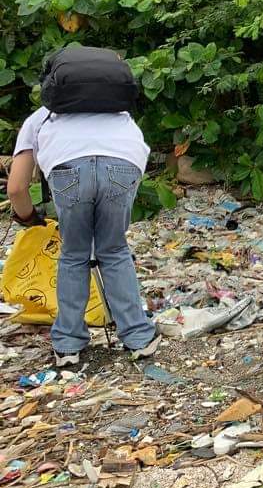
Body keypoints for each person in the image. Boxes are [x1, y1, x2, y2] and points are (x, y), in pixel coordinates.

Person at [7, 107, 159, 368]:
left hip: (69, 171)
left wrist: (29, 217)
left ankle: (68, 345)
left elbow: (16, 188)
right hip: (123, 165)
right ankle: (138, 338)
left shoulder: (40, 117)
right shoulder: (117, 109)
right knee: (113, 249)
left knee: (74, 253)